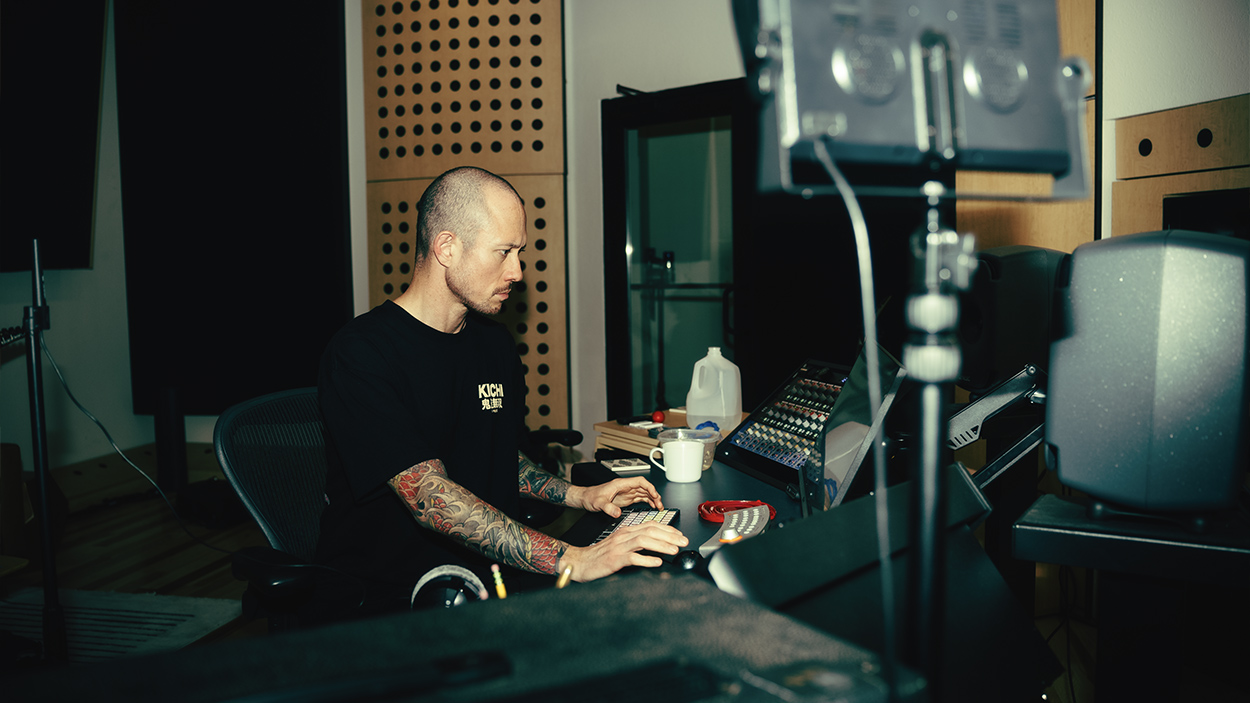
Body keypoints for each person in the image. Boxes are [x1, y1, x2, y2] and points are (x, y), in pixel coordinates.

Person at [309, 166, 688, 623]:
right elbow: (431, 497)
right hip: (392, 599)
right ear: (447, 247)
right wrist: (573, 558)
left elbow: (499, 456)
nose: (518, 271)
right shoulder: (361, 353)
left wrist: (579, 496)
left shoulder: (493, 344)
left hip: (492, 576)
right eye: (504, 252)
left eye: (520, 252)